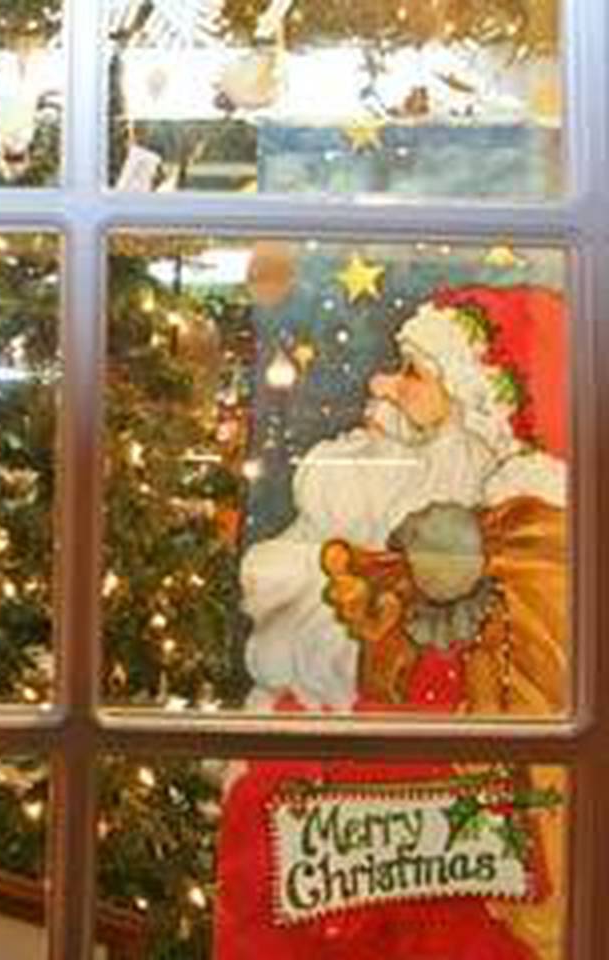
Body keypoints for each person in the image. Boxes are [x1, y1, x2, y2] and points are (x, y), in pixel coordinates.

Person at [216, 286, 569, 960]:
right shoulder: (360, 530)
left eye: (411, 372)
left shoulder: (505, 562)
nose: (380, 384)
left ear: (475, 410)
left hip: (426, 870)